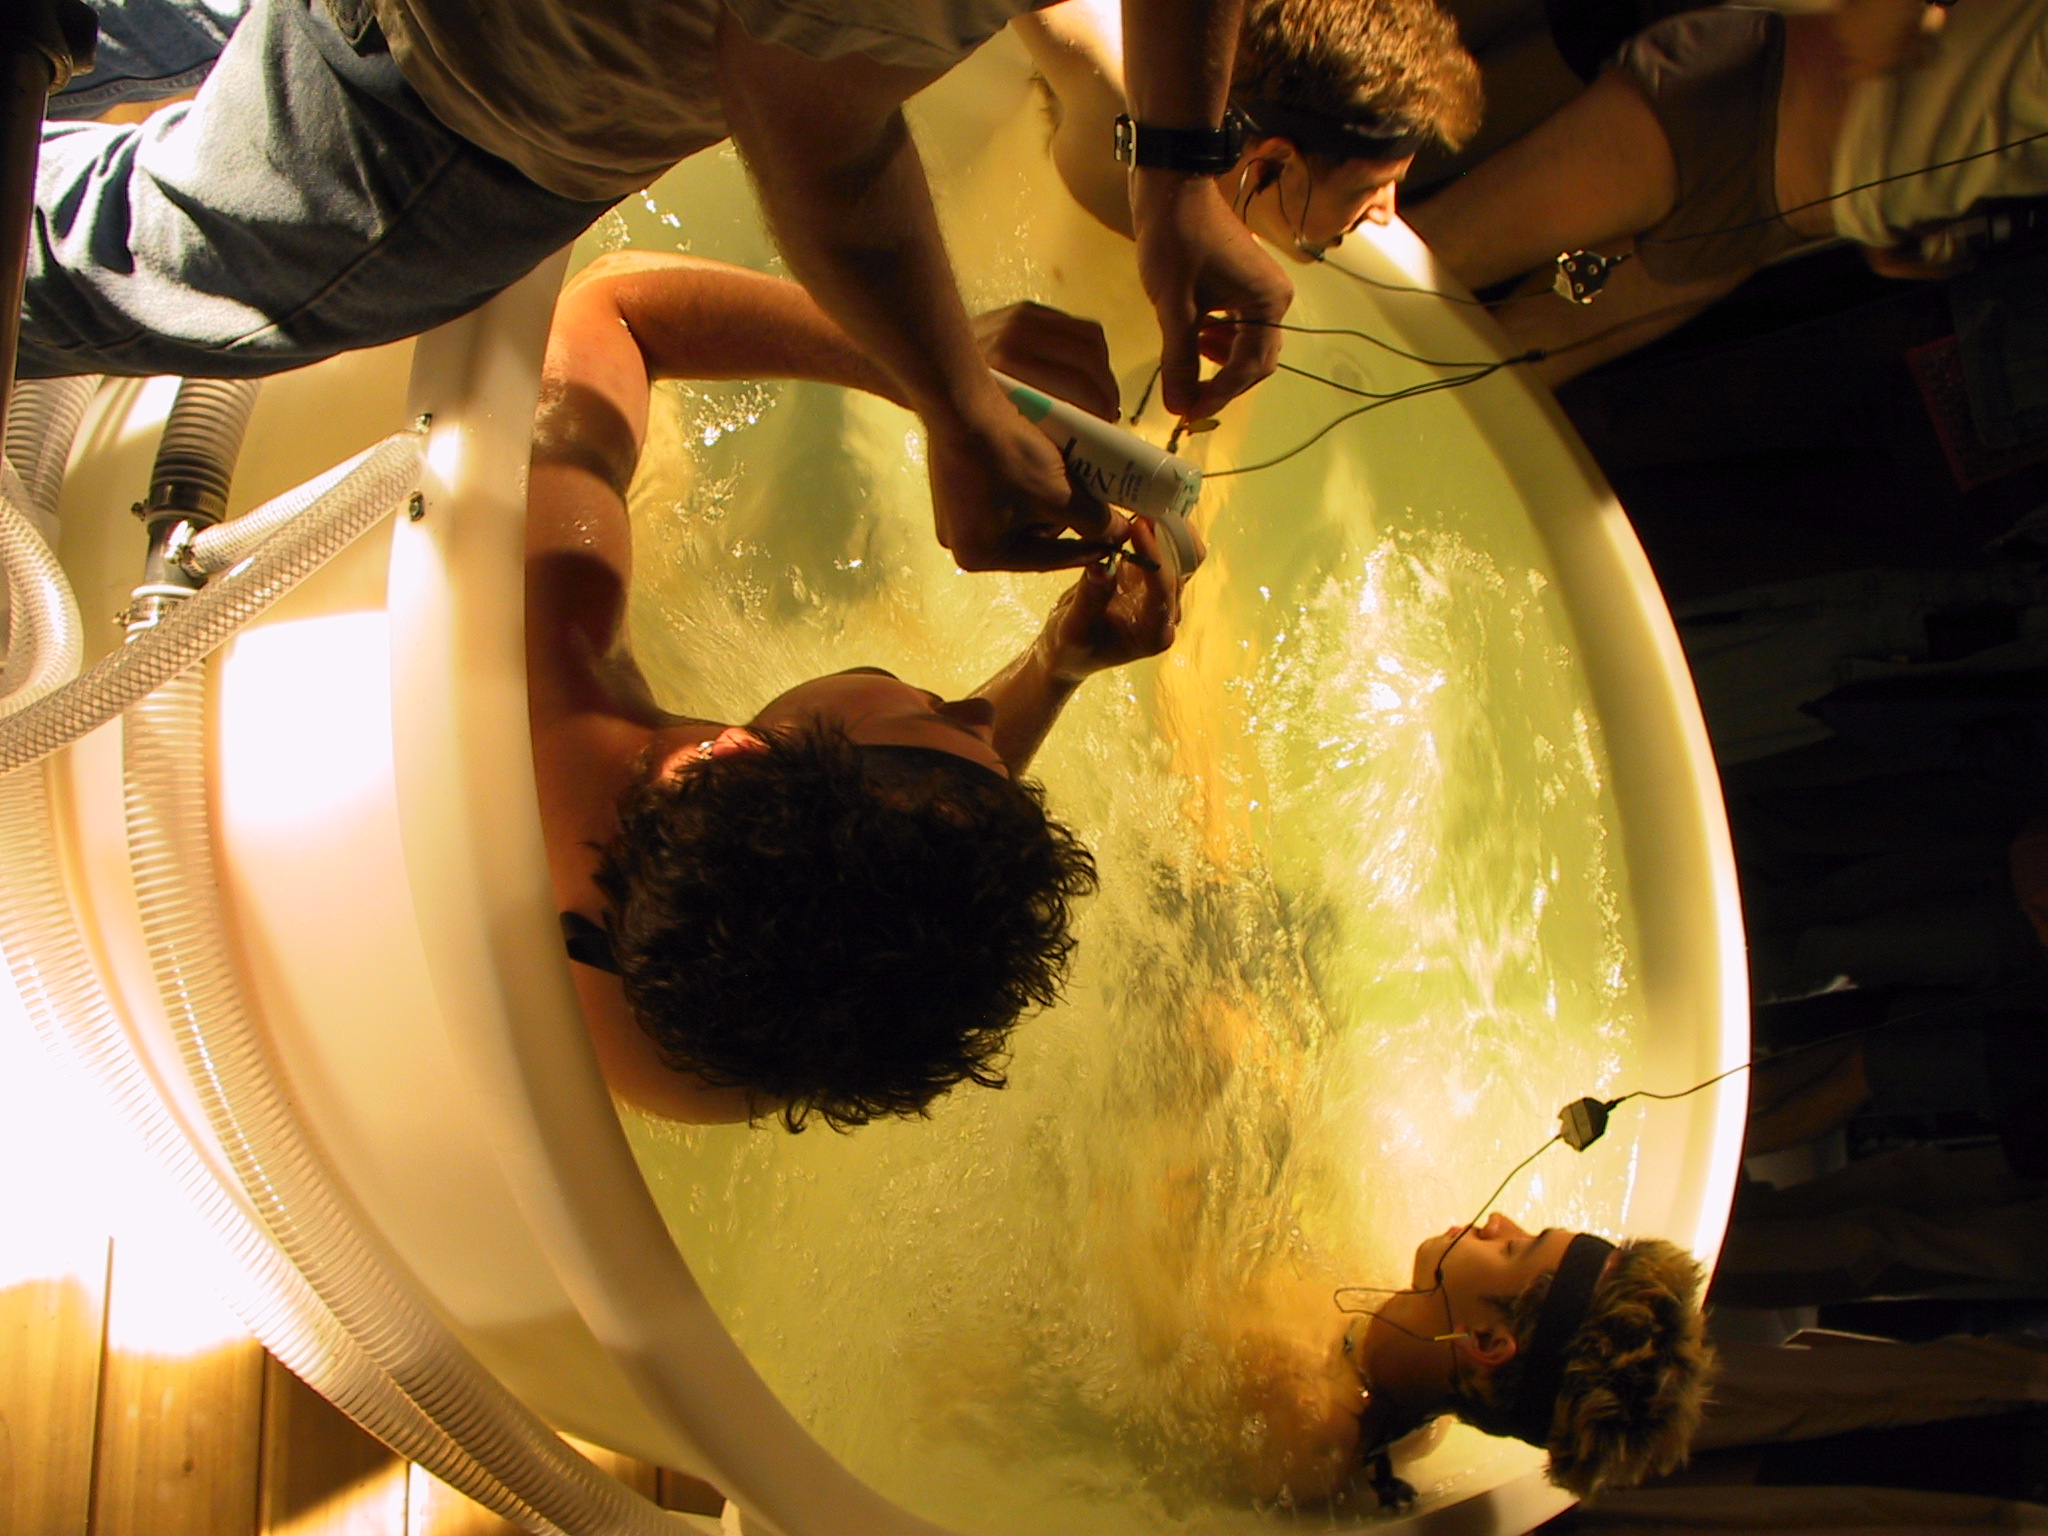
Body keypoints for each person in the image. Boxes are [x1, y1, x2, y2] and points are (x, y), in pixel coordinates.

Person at [23, 0, 1291, 574]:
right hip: (466, 83)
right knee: (139, 252)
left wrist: (1180, 170)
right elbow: (806, 124)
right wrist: (951, 397)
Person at [525, 250, 1188, 1129]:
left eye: (935, 717)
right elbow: (896, 874)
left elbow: (611, 304)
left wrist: (933, 374)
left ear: (728, 759)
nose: (975, 708)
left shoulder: (555, 684)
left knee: (658, 458)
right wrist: (1056, 664)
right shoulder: (725, 1057)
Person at [1405, 0, 2048, 385]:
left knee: (1481, 378)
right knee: (1406, 269)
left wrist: (1915, 218)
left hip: (1773, 226)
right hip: (1737, 105)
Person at [1225, 1214, 1715, 1504]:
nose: (1498, 1222)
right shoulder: (1412, 1400)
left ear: (1483, 1340)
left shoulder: (1307, 1418)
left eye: (1513, 1248)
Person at [1019, 0, 1481, 262]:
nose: (1385, 213)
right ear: (1274, 163)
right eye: (1371, 188)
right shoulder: (1117, 96)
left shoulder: (1257, 216)